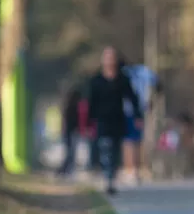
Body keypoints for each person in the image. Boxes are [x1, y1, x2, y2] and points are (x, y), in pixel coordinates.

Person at [88, 47, 140, 195]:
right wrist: (89, 122)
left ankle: (112, 177)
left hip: (118, 120)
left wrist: (137, 116)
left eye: (112, 57)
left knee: (115, 150)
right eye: (107, 57)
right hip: (102, 120)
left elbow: (132, 98)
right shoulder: (96, 80)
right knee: (105, 148)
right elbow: (92, 102)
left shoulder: (123, 80)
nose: (110, 60)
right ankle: (108, 178)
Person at [121, 61, 159, 183]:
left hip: (129, 110)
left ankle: (132, 170)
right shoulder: (144, 71)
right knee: (136, 140)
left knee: (129, 141)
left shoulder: (124, 73)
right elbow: (158, 84)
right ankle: (136, 170)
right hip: (139, 109)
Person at [58, 84, 84, 176]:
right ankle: (66, 170)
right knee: (71, 152)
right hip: (72, 132)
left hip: (69, 132)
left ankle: (67, 170)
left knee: (69, 152)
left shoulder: (68, 107)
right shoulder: (73, 108)